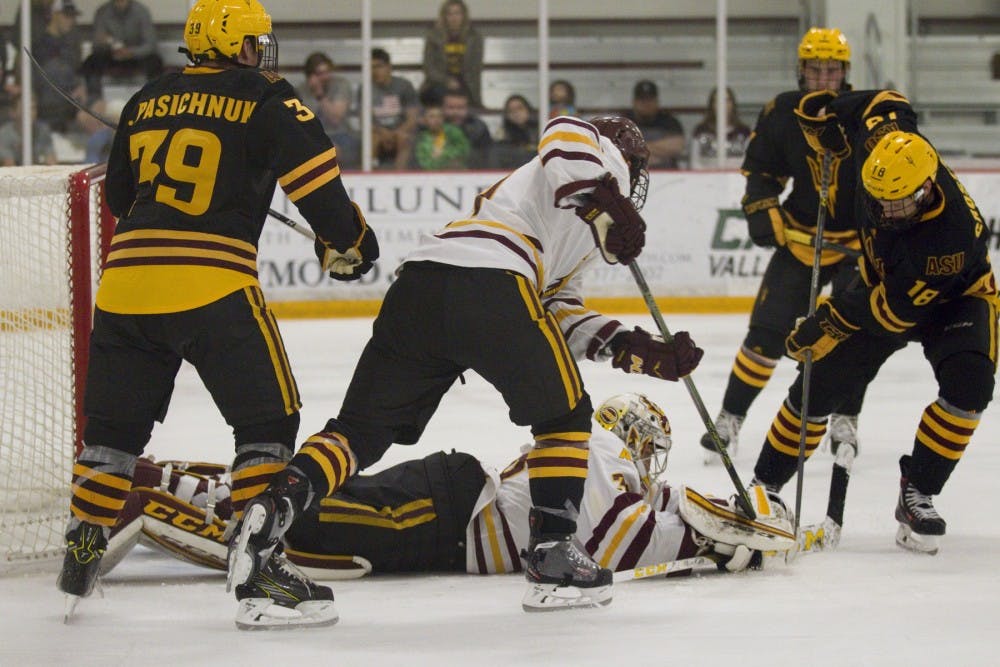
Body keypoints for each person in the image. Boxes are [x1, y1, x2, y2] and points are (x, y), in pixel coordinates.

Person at [226, 114, 706, 615]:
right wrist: (607, 199)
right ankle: (554, 558)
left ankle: (275, 508)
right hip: (494, 281)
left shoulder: (575, 223)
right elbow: (562, 132)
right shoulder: (593, 158)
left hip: (421, 284)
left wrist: (637, 346)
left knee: (357, 432)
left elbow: (559, 309)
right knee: (564, 416)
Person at [55, 0, 379, 630]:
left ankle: (81, 555)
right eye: (255, 42)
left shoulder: (147, 96)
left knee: (112, 435)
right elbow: (319, 188)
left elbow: (123, 197)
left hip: (124, 287)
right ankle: (260, 573)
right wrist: (353, 242)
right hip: (211, 285)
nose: (261, 53)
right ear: (237, 45)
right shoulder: (266, 95)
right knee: (268, 418)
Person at [95, 394, 796, 584]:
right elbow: (620, 537)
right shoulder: (602, 452)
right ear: (636, 435)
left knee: (318, 512)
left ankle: (181, 477)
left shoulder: (603, 461)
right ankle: (154, 492)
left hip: (445, 503)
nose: (655, 467)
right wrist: (713, 535)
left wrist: (730, 518)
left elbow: (652, 509)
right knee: (304, 528)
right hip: (443, 513)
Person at [752, 88, 997, 556]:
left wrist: (829, 319)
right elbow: (885, 100)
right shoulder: (889, 149)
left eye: (899, 203)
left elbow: (891, 312)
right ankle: (762, 487)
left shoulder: (950, 239)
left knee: (971, 386)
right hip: (885, 282)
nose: (885, 211)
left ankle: (917, 491)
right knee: (816, 384)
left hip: (954, 298)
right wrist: (825, 116)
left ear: (927, 190)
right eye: (879, 199)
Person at [699, 27, 866, 464]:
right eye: (816, 69)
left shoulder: (865, 113)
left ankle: (845, 417)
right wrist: (760, 206)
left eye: (832, 70)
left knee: (850, 339)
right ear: (802, 71)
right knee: (767, 334)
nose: (824, 78)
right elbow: (763, 173)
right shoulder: (781, 111)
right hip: (801, 239)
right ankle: (730, 417)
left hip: (857, 245)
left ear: (845, 72)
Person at [79, 0, 163, 101]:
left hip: (135, 56)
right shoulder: (102, 12)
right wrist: (107, 45)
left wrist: (131, 52)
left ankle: (154, 100)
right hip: (111, 54)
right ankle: (94, 101)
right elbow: (96, 45)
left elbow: (151, 45)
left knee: (155, 61)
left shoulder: (141, 11)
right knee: (91, 62)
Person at [31, 0, 84, 133]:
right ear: (55, 15)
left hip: (70, 107)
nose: (70, 21)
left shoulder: (71, 46)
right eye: (67, 16)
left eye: (72, 17)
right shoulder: (40, 46)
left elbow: (76, 73)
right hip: (49, 109)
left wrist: (80, 85)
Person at [302, 51, 360, 169]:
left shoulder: (341, 85)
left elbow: (336, 119)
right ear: (310, 76)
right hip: (314, 137)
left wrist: (320, 94)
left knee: (334, 150)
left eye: (328, 72)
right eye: (320, 74)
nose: (326, 77)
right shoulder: (301, 91)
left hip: (341, 135)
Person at [421, 0, 484, 108]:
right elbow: (429, 68)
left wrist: (475, 97)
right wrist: (446, 81)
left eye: (457, 13)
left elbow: (475, 69)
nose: (454, 18)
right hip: (438, 84)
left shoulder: (474, 37)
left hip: (465, 83)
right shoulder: (434, 36)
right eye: (449, 14)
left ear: (464, 16)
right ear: (444, 16)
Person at [369, 46, 420, 170]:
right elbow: (364, 120)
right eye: (371, 67)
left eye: (379, 66)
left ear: (389, 67)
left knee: (403, 139)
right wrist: (383, 132)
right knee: (372, 139)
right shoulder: (366, 88)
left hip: (400, 131)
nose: (375, 71)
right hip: (378, 132)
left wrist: (395, 133)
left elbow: (413, 118)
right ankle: (370, 176)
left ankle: (398, 178)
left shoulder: (404, 86)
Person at [623, 79, 685, 169]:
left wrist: (639, 148)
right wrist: (660, 151)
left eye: (650, 100)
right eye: (642, 100)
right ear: (634, 102)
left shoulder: (669, 121)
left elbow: (678, 146)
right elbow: (619, 147)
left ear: (657, 101)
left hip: (668, 176)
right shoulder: (625, 121)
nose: (646, 104)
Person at [691, 86, 752, 168]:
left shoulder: (744, 132)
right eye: (717, 100)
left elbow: (750, 162)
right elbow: (695, 162)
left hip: (736, 178)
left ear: (732, 103)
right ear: (712, 104)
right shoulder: (701, 131)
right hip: (707, 178)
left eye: (727, 100)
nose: (722, 104)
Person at [441, 87, 491, 168]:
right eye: (451, 107)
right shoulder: (433, 128)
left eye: (460, 108)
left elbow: (485, 157)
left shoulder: (478, 128)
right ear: (442, 108)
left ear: (467, 108)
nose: (455, 112)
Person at [0, 95, 57, 165]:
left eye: (33, 108)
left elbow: (51, 161)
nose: (30, 112)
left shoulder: (42, 130)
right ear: (13, 112)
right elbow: (9, 166)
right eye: (24, 108)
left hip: (35, 173)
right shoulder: (4, 134)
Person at [414, 101, 470, 170]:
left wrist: (444, 154)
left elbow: (464, 150)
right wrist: (445, 161)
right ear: (424, 120)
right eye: (432, 116)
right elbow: (425, 164)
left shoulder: (453, 131)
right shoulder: (421, 139)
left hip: (458, 173)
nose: (436, 120)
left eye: (439, 116)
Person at [489, 93, 538, 169]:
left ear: (528, 109)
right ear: (507, 115)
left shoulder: (539, 132)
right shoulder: (503, 137)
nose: (516, 113)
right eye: (511, 110)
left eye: (520, 108)